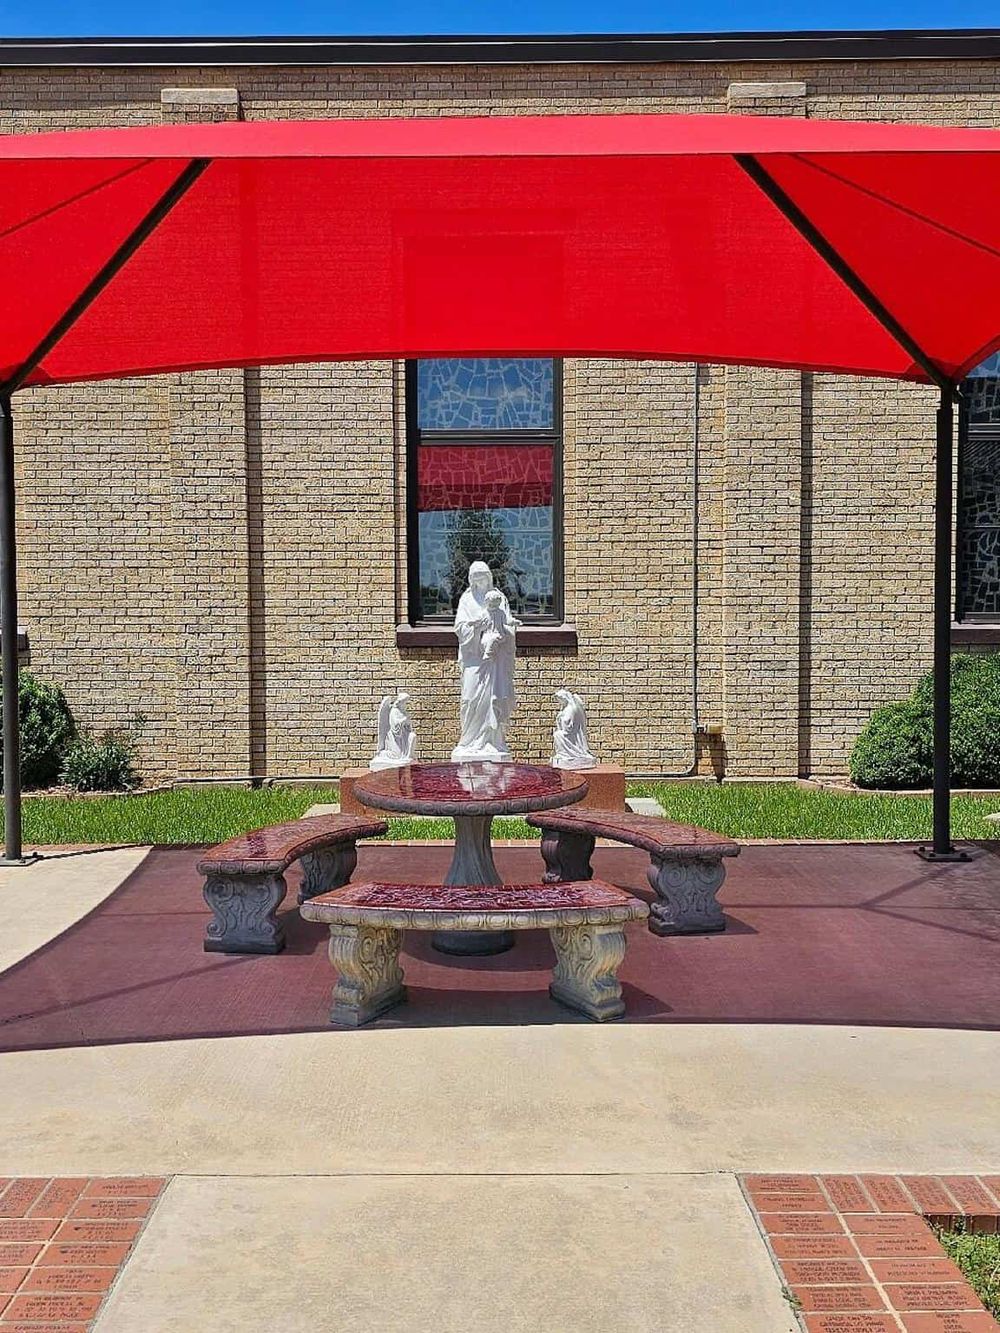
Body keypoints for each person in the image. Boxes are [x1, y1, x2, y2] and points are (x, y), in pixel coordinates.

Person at [451, 561, 520, 762]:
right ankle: (469, 741)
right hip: (474, 659)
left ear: (489, 577)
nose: (479, 581)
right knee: (470, 698)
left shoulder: (500, 599)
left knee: (495, 699)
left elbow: (508, 624)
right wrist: (477, 627)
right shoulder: (466, 599)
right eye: (476, 577)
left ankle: (493, 741)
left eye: (483, 576)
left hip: (495, 661)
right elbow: (460, 628)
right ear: (471, 579)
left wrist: (501, 633)